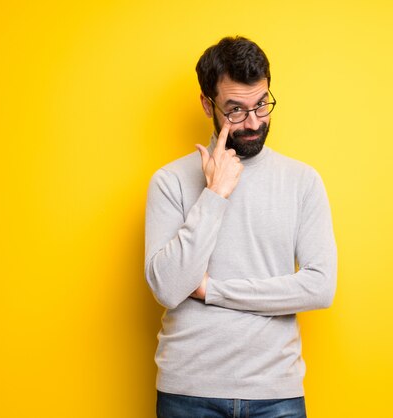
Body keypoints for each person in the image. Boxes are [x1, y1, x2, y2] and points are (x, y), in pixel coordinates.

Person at [145, 36, 337, 418]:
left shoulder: (302, 181)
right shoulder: (170, 181)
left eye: (261, 104)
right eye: (235, 110)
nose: (253, 122)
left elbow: (319, 287)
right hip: (188, 391)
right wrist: (215, 194)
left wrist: (212, 290)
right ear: (207, 104)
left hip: (275, 392)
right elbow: (168, 288)